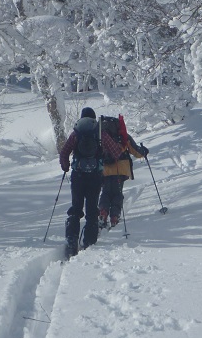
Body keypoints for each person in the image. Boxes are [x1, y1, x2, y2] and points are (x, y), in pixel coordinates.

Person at [59, 107, 123, 258]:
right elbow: (116, 152)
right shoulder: (100, 133)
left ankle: (71, 241)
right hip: (95, 177)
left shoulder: (76, 133)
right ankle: (88, 242)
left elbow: (64, 153)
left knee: (76, 208)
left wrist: (66, 166)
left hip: (78, 176)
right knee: (92, 210)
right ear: (94, 118)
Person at [98, 120, 148, 229]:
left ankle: (103, 212)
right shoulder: (123, 136)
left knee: (105, 193)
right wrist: (144, 151)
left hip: (105, 170)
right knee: (117, 194)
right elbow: (135, 151)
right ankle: (114, 216)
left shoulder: (101, 137)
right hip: (120, 170)